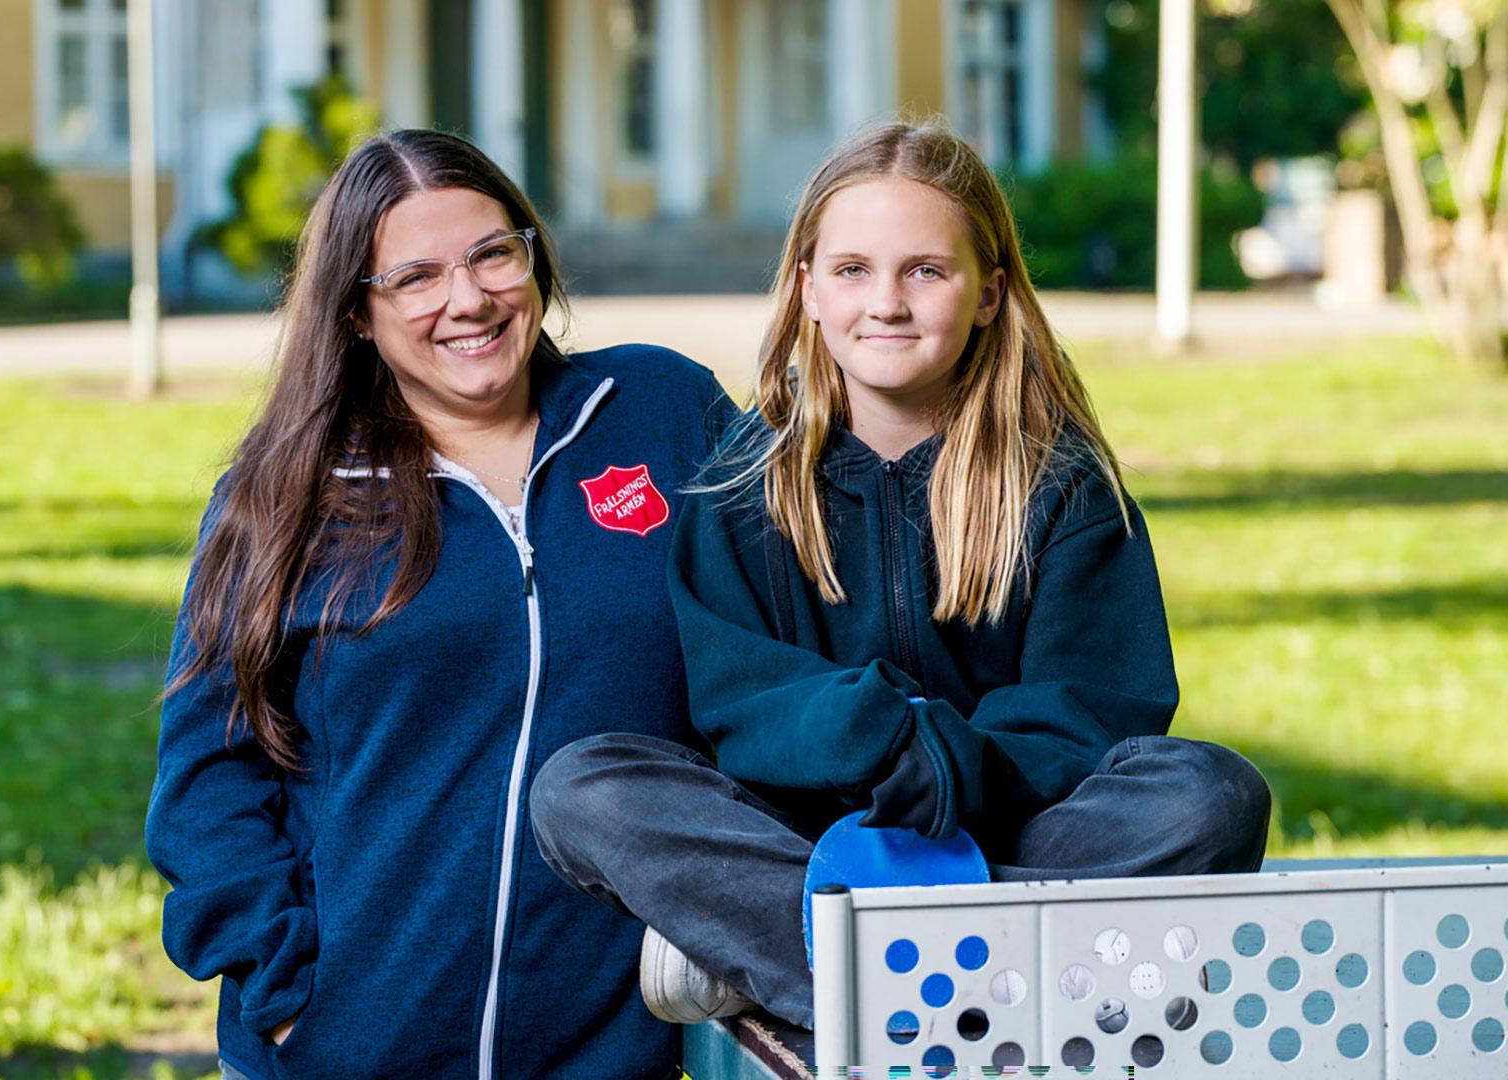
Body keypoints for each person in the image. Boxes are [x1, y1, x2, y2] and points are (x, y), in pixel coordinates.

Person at [528, 122, 1273, 1031]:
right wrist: (879, 736)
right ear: (806, 288)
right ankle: (990, 987)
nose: (886, 302)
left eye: (926, 270)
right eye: (851, 270)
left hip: (1011, 827)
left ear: (990, 293)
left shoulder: (1061, 485)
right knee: (582, 786)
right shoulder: (741, 482)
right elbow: (735, 693)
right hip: (803, 839)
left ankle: (840, 977)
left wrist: (947, 765)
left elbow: (1091, 709)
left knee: (1209, 794)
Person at [144, 129, 728, 1080]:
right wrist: (286, 993)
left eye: (493, 253)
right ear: (357, 315)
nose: (469, 299)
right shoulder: (289, 493)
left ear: (533, 255)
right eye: (414, 277)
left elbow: (794, 617)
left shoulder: (660, 410)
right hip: (350, 1049)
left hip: (609, 1047)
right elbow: (208, 772)